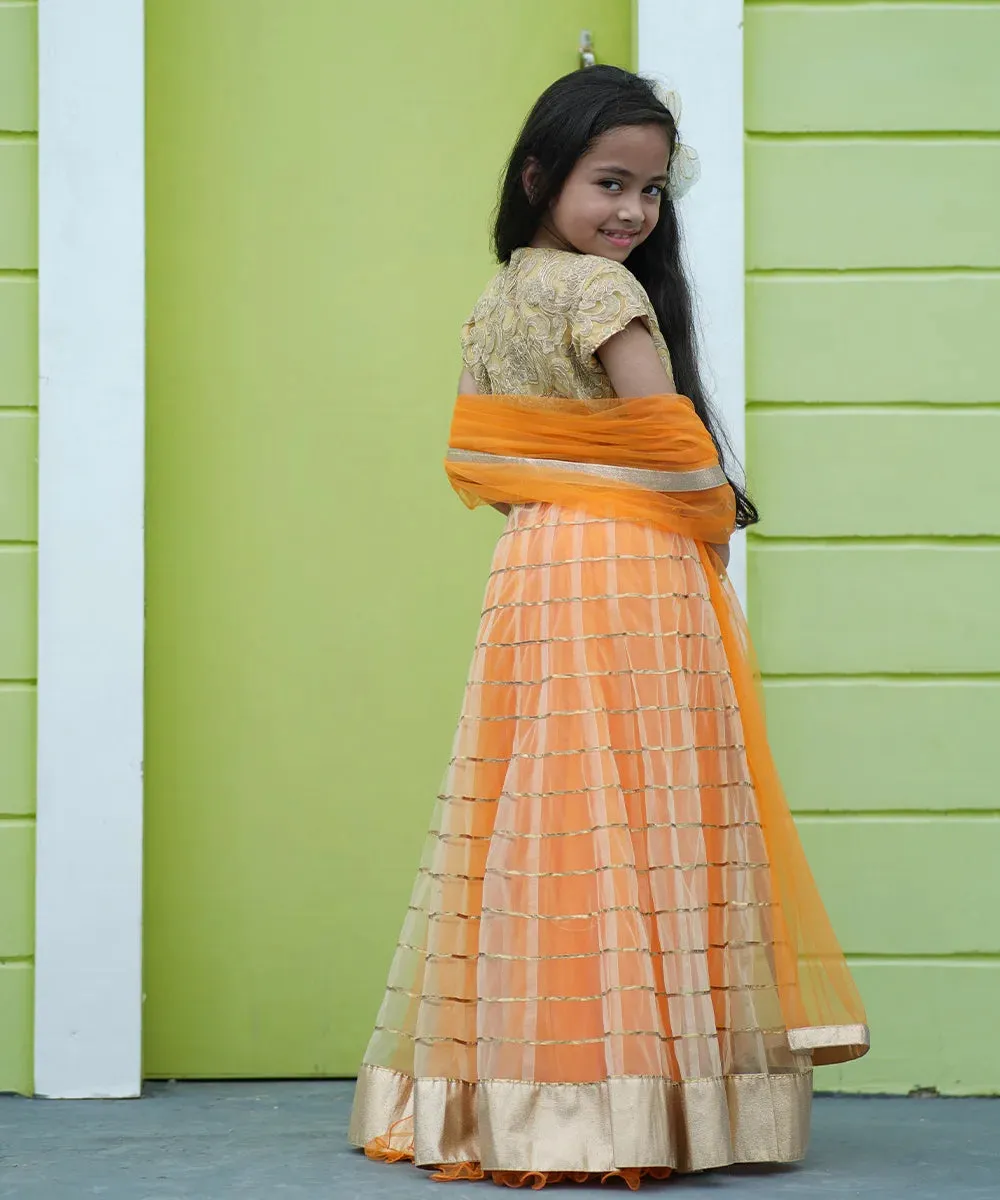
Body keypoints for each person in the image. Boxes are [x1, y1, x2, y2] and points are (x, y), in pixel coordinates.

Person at [348, 64, 869, 1190]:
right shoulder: (601, 295)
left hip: (533, 570)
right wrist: (709, 531)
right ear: (541, 176)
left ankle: (534, 1098)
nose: (631, 212)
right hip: (631, 572)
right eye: (609, 182)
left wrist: (568, 491)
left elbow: (484, 468)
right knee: (645, 812)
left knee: (544, 820)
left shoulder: (496, 295)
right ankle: (641, 1106)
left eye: (649, 190)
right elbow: (667, 439)